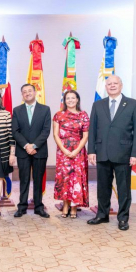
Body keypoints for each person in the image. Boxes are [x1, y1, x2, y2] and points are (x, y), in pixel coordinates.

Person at [87, 75, 136, 231]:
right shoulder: (98, 105)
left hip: (124, 154)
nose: (112, 86)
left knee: (123, 188)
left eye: (115, 83)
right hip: (102, 153)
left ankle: (123, 218)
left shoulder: (133, 104)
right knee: (102, 187)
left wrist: (135, 154)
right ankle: (102, 215)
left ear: (121, 85)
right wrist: (91, 150)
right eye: (109, 84)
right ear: (105, 87)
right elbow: (92, 130)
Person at [12, 83, 51, 218]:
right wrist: (26, 146)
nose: (27, 93)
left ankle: (38, 207)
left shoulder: (45, 109)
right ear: (22, 95)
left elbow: (46, 131)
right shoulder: (17, 110)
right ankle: (22, 206)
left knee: (38, 179)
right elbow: (15, 131)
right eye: (24, 92)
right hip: (23, 151)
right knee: (24, 179)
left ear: (35, 93)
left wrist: (34, 146)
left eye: (30, 91)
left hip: (39, 151)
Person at [53, 90, 89, 219]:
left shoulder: (83, 115)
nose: (70, 100)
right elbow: (55, 134)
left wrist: (76, 150)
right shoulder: (58, 115)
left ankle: (74, 206)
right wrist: (64, 150)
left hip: (78, 151)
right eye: (68, 98)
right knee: (65, 179)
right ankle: (65, 204)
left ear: (77, 99)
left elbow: (85, 136)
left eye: (73, 98)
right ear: (64, 100)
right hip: (63, 152)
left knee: (76, 179)